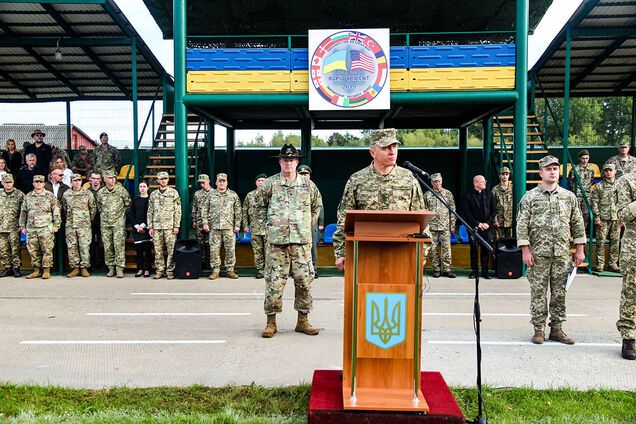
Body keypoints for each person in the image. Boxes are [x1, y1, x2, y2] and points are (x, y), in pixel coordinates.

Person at [333, 129, 430, 270]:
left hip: (402, 254)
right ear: (373, 153)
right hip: (365, 255)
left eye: (394, 147)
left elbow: (421, 218)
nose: (392, 152)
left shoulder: (408, 178)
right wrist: (341, 253)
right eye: (386, 148)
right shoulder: (357, 180)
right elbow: (343, 218)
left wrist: (423, 253)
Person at [517, 155, 586, 345]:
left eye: (555, 168)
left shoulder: (568, 197)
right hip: (538, 254)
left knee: (560, 292)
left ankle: (557, 329)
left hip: (562, 254)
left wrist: (579, 249)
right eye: (549, 169)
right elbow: (521, 225)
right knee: (538, 292)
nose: (553, 171)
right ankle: (538, 330)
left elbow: (577, 224)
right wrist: (525, 250)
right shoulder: (530, 197)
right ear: (541, 172)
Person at [256, 144, 322, 338]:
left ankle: (303, 321)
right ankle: (271, 322)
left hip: (301, 242)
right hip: (277, 243)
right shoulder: (269, 184)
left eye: (292, 160)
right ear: (280, 162)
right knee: (274, 283)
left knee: (304, 281)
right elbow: (258, 207)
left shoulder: (308, 185)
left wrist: (306, 224)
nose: (288, 163)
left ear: (297, 162)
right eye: (285, 160)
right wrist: (268, 228)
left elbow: (317, 206)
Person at [19, 175, 61, 280]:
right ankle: (36, 270)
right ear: (33, 183)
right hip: (31, 227)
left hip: (46, 226)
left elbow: (56, 211)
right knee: (33, 249)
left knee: (47, 248)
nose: (38, 184)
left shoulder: (49, 196)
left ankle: (46, 270)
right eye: (36, 182)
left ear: (44, 183)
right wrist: (22, 226)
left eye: (40, 182)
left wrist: (56, 225)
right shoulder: (28, 196)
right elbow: (23, 212)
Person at [201, 173, 241, 280]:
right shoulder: (210, 194)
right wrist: (205, 223)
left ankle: (230, 270)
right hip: (214, 227)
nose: (222, 183)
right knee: (214, 249)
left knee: (230, 249)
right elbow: (204, 209)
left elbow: (238, 210)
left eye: (224, 181)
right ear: (216, 182)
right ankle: (215, 270)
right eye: (220, 181)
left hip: (229, 227)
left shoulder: (233, 195)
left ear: (227, 182)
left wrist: (237, 225)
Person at [615, 167, 636, 360]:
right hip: (633, 246)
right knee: (631, 293)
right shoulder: (626, 181)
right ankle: (629, 337)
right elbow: (622, 214)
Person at [96, 169, 131, 278]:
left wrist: (120, 216)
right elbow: (99, 207)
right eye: (110, 178)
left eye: (114, 178)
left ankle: (120, 268)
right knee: (108, 245)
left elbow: (128, 205)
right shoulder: (101, 193)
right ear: (104, 179)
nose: (113, 180)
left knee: (119, 245)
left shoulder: (121, 191)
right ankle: (110, 267)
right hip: (105, 223)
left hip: (118, 223)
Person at [148, 171, 181, 280]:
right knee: (158, 250)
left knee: (171, 249)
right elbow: (150, 211)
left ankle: (170, 270)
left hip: (169, 226)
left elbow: (177, 210)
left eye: (165, 178)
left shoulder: (173, 193)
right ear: (157, 180)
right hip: (157, 227)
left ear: (168, 180)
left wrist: (176, 225)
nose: (163, 180)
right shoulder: (153, 194)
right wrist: (150, 226)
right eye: (161, 179)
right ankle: (160, 270)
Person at [62, 174, 96, 277]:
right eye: (75, 180)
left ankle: (84, 267)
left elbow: (93, 208)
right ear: (71, 182)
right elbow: (64, 208)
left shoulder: (87, 193)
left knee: (84, 246)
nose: (77, 182)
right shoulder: (66, 194)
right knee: (72, 247)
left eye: (79, 180)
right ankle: (75, 268)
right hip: (71, 225)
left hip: (84, 225)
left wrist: (88, 220)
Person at [463, 175, 496, 279]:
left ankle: (485, 271)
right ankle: (474, 271)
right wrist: (478, 224)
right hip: (474, 227)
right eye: (482, 182)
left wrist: (487, 223)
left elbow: (494, 211)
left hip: (487, 227)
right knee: (474, 249)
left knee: (485, 249)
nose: (484, 183)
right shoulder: (468, 195)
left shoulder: (489, 193)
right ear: (475, 183)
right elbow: (466, 212)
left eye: (484, 181)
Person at [423, 173, 456, 278]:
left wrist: (452, 224)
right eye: (435, 182)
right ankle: (436, 269)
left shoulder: (448, 194)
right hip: (432, 226)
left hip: (445, 225)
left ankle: (447, 269)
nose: (437, 183)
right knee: (433, 249)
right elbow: (424, 210)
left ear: (441, 181)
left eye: (439, 181)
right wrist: (425, 226)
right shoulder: (427, 195)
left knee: (447, 249)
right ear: (431, 183)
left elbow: (453, 210)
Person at [591, 163, 621, 274]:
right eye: (606, 170)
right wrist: (597, 217)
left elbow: (624, 201)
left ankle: (613, 263)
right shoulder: (599, 186)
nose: (608, 172)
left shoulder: (620, 185)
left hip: (616, 218)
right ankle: (600, 263)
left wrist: (622, 217)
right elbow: (594, 202)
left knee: (615, 242)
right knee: (601, 242)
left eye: (610, 170)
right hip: (603, 218)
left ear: (615, 171)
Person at [297, 165, 324, 278]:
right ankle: (299, 270)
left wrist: (320, 223)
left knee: (312, 247)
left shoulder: (313, 187)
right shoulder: (294, 186)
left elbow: (319, 206)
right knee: (297, 248)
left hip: (310, 223)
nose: (304, 176)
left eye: (306, 174)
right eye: (301, 174)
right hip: (297, 224)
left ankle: (314, 268)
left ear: (309, 175)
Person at [241, 173, 268, 279]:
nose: (260, 182)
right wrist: (245, 225)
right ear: (255, 182)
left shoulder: (270, 194)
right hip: (255, 228)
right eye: (259, 181)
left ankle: (268, 270)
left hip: (267, 228)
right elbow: (244, 210)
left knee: (268, 251)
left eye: (262, 180)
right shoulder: (250, 195)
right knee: (257, 251)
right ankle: (260, 270)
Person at [0, 174, 25, 277]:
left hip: (14, 227)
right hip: (1, 227)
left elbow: (23, 211)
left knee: (15, 248)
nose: (8, 184)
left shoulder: (20, 194)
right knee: (3, 248)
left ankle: (16, 268)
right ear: (2, 183)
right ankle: (7, 267)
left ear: (13, 182)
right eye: (6, 182)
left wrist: (22, 225)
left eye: (10, 182)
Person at [128, 179, 153, 277]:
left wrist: (143, 225)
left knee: (147, 251)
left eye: (144, 186)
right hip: (137, 229)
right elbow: (131, 214)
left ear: (148, 188)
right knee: (138, 251)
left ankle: (147, 269)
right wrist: (136, 226)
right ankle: (140, 269)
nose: (142, 188)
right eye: (140, 186)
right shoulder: (135, 199)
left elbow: (151, 214)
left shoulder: (150, 200)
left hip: (146, 228)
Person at [567, 149, 596, 230]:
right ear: (579, 158)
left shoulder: (591, 169)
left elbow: (592, 181)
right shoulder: (574, 169)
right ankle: (575, 231)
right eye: (583, 158)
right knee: (576, 214)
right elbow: (570, 182)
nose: (585, 160)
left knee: (586, 214)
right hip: (577, 194)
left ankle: (583, 230)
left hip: (587, 194)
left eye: (586, 158)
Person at [191, 174, 212, 268]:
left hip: (211, 221)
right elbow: (194, 207)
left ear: (208, 181)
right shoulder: (197, 193)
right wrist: (194, 219)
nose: (202, 185)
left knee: (212, 242)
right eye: (200, 183)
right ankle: (202, 261)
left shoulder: (214, 193)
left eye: (203, 182)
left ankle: (212, 262)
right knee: (200, 242)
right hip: (199, 221)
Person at [87, 171, 105, 270]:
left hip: (102, 220)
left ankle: (101, 263)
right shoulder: (86, 191)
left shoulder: (104, 190)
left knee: (102, 242)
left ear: (101, 180)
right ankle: (91, 263)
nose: (96, 181)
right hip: (90, 220)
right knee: (90, 242)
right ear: (90, 180)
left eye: (98, 179)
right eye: (94, 178)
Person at [491, 166, 513, 240]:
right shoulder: (495, 189)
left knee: (511, 243)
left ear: (509, 175)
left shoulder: (513, 188)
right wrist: (495, 220)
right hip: (499, 221)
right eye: (503, 174)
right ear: (499, 175)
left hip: (511, 221)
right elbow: (492, 206)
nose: (505, 176)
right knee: (498, 243)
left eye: (506, 174)